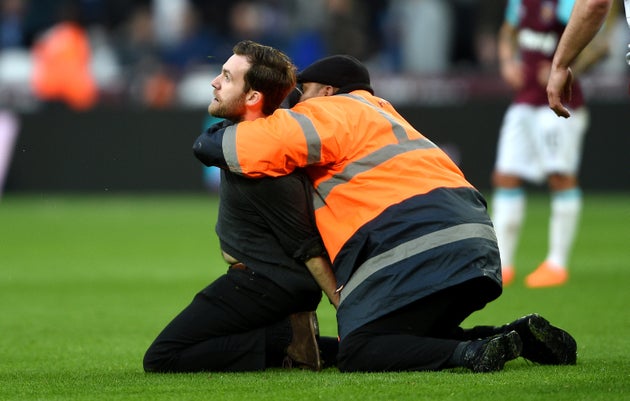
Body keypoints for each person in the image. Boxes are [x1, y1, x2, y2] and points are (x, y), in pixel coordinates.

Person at [192, 52, 578, 373]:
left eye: (303, 93)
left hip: (411, 242)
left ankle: (470, 354)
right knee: (401, 335)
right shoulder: (384, 112)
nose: (296, 103)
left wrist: (213, 131)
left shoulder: (327, 112)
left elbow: (230, 148)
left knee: (359, 350)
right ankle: (515, 336)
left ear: (327, 91)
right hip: (476, 243)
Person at [143, 40, 339, 373]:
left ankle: (290, 339)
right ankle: (311, 345)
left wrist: (344, 306)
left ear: (252, 98)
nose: (214, 83)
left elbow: (305, 244)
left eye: (227, 77)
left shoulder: (261, 158)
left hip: (266, 284)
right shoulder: (247, 137)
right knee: (215, 341)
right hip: (272, 283)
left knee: (164, 357)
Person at [491, 0, 610, 288]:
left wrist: (568, 67)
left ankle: (557, 263)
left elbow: (599, 46)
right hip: (523, 101)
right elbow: (508, 32)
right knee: (505, 176)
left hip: (559, 105)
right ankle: (502, 264)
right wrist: (508, 61)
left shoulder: (566, 3)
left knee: (560, 176)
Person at [546, 0, 617, 117]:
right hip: (527, 98)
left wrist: (560, 66)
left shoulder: (567, 4)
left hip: (569, 101)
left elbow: (595, 4)